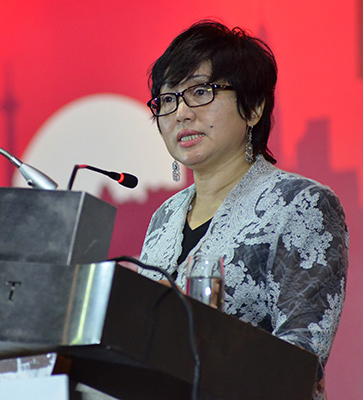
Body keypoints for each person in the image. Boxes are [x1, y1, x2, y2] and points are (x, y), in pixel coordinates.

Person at [139, 20, 348, 400]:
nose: (180, 113)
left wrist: (189, 326)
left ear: (253, 108)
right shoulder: (163, 219)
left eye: (200, 92)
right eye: (167, 100)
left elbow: (299, 361)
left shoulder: (300, 204)